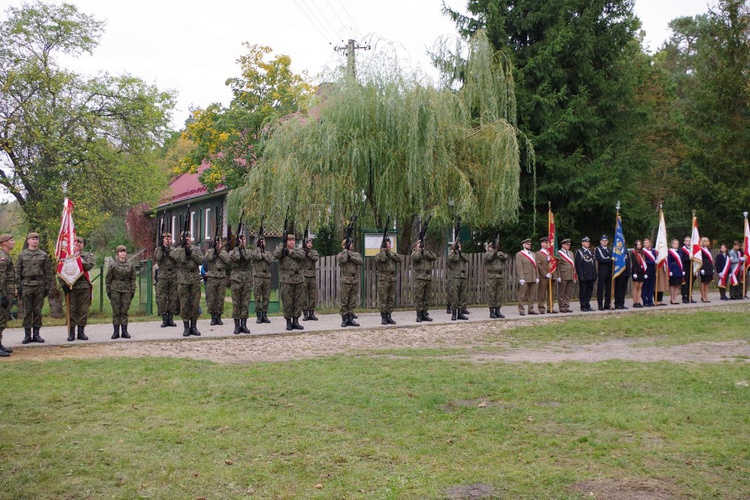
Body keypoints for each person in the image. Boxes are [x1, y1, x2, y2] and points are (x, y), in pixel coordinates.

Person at [16, 232, 52, 344]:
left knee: (37, 311)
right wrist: (18, 286)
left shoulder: (43, 255)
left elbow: (48, 272)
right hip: (26, 284)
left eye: (37, 239)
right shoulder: (22, 255)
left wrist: (47, 287)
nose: (35, 241)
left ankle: (36, 334)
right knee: (27, 311)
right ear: (28, 241)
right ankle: (27, 335)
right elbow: (17, 271)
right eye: (33, 239)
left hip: (39, 285)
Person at [61, 237, 95, 341]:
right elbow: (62, 269)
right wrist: (63, 284)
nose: (79, 245)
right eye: (76, 243)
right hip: (72, 286)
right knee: (72, 310)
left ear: (83, 244)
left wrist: (77, 258)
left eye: (81, 242)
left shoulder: (88, 256)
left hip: (84, 286)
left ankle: (81, 332)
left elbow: (88, 266)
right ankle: (72, 333)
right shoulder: (68, 256)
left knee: (83, 310)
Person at [172, 231, 204, 336]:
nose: (187, 238)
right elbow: (179, 260)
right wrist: (183, 249)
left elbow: (201, 260)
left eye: (189, 236)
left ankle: (193, 326)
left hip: (194, 279)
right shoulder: (177, 250)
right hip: (183, 280)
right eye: (185, 237)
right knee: (184, 304)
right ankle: (186, 327)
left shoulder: (196, 249)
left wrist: (191, 253)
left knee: (195, 303)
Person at [274, 233, 306, 331]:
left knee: (297, 301)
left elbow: (302, 255)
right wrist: (281, 244)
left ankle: (296, 321)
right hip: (286, 280)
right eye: (289, 240)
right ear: (286, 241)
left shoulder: (298, 250)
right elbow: (276, 254)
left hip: (298, 279)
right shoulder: (281, 250)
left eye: (293, 240)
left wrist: (289, 252)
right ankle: (288, 322)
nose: (292, 242)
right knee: (287, 301)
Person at [106, 245, 135, 339]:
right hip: (115, 289)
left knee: (124, 311)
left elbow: (133, 279)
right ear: (117, 253)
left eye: (124, 251)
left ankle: (124, 331)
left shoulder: (130, 265)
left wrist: (133, 290)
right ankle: (115, 332)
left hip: (126, 289)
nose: (123, 253)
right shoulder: (113, 265)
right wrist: (108, 290)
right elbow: (108, 278)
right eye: (121, 252)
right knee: (116, 311)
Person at [375, 236, 403, 324]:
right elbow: (382, 259)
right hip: (383, 280)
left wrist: (390, 253)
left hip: (392, 279)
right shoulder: (379, 255)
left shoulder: (392, 254)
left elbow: (400, 259)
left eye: (389, 244)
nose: (389, 246)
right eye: (387, 244)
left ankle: (389, 316)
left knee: (391, 299)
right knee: (383, 299)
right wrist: (384, 251)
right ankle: (383, 317)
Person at [229, 234, 253, 334]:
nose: (243, 241)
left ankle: (244, 324)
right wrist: (237, 248)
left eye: (244, 239)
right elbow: (237, 258)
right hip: (236, 280)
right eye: (240, 239)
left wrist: (242, 249)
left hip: (247, 280)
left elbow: (246, 257)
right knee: (236, 303)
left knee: (245, 303)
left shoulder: (248, 251)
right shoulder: (232, 252)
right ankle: (237, 325)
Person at [337, 238, 363, 327]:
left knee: (352, 301)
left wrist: (350, 255)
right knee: (344, 301)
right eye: (349, 244)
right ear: (344, 245)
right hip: (345, 279)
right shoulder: (341, 254)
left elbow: (360, 261)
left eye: (351, 243)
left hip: (354, 279)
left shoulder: (356, 254)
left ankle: (351, 318)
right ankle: (344, 319)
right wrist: (346, 251)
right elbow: (342, 260)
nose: (351, 245)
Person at [154, 232, 178, 327]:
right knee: (162, 297)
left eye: (169, 238)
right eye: (166, 239)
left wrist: (169, 251)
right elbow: (159, 258)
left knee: (172, 297)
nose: (168, 240)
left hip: (173, 275)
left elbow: (177, 258)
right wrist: (161, 248)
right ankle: (164, 318)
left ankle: (170, 318)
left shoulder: (174, 249)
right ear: (163, 240)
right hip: (163, 276)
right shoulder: (158, 249)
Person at [204, 237, 230, 326]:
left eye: (220, 242)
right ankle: (213, 317)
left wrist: (219, 253)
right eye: (217, 242)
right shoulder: (209, 251)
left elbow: (227, 260)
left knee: (220, 298)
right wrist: (214, 251)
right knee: (212, 298)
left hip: (221, 277)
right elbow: (209, 258)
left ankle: (219, 316)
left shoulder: (224, 252)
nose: (219, 244)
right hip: (212, 278)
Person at [411, 238, 438, 322]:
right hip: (419, 278)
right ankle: (419, 315)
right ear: (416, 246)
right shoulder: (414, 253)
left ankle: (425, 313)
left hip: (427, 277)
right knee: (419, 297)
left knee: (426, 297)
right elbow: (416, 258)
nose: (421, 245)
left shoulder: (426, 253)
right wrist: (419, 250)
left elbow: (434, 257)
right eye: (419, 244)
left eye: (422, 244)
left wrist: (424, 251)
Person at [250, 235, 274, 324]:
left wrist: (264, 254)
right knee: (257, 297)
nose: (263, 243)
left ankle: (265, 315)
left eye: (264, 242)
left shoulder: (268, 253)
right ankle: (258, 316)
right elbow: (257, 257)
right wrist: (259, 249)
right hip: (258, 277)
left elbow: (270, 260)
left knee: (266, 297)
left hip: (267, 277)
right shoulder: (255, 252)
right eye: (261, 242)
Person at [0, 234, 16, 356]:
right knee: (0, 320)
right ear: (4, 243)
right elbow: (1, 278)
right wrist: (2, 296)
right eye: (11, 240)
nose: (13, 242)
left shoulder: (6, 256)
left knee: (3, 319)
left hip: (7, 292)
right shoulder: (2, 258)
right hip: (3, 294)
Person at [483, 239, 508, 318]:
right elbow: (489, 258)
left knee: (499, 294)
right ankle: (491, 312)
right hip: (491, 276)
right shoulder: (487, 254)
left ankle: (498, 310)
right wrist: (494, 252)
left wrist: (496, 252)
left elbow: (505, 257)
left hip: (499, 276)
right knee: (491, 294)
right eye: (491, 247)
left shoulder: (499, 253)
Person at [515, 238, 539, 316]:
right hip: (525, 276)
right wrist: (521, 277)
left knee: (532, 294)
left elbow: (536, 266)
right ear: (524, 245)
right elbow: (519, 267)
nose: (529, 245)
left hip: (533, 276)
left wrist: (537, 276)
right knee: (522, 294)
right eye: (528, 244)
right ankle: (521, 309)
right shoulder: (520, 254)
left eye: (530, 244)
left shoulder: (533, 254)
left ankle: (531, 309)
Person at [447, 241, 470, 320]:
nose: (459, 248)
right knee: (454, 296)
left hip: (463, 277)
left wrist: (460, 253)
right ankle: (454, 313)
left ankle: (460, 313)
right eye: (457, 247)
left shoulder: (462, 255)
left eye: (460, 247)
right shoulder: (452, 256)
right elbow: (451, 260)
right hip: (455, 278)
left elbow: (467, 259)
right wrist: (455, 252)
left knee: (462, 296)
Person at [575, 236, 597, 312]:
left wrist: (594, 274)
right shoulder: (580, 252)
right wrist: (580, 275)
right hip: (584, 275)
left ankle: (587, 304)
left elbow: (593, 264)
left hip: (591, 275)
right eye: (585, 242)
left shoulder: (590, 251)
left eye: (588, 242)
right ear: (582, 243)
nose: (587, 243)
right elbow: (578, 265)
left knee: (589, 291)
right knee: (583, 291)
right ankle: (583, 305)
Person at [535, 236, 556, 314]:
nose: (548, 244)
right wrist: (545, 274)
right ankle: (541, 308)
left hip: (552, 275)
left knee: (552, 293)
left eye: (548, 243)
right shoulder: (538, 253)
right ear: (542, 244)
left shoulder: (552, 253)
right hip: (544, 276)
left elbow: (555, 264)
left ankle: (550, 307)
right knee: (542, 293)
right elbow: (538, 265)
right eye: (546, 243)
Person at [554, 238, 575, 313]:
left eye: (569, 245)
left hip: (570, 274)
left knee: (568, 292)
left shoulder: (571, 253)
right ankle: (562, 306)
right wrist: (558, 276)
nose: (568, 246)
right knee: (562, 292)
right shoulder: (559, 253)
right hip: (563, 274)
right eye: (567, 244)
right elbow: (558, 266)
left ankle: (566, 305)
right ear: (563, 245)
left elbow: (573, 265)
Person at [301, 237, 320, 321]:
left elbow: (315, 258)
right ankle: (305, 313)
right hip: (304, 276)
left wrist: (308, 253)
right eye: (308, 243)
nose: (310, 244)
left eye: (311, 243)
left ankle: (311, 313)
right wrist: (303, 251)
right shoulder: (302, 252)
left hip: (312, 275)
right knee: (304, 295)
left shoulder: (314, 252)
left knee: (312, 295)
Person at [595, 235, 613, 310]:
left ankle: (607, 304)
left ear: (608, 241)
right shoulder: (598, 249)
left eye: (606, 240)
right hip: (602, 272)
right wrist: (609, 259)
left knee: (609, 289)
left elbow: (613, 259)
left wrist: (609, 259)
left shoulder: (610, 250)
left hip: (609, 272)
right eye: (603, 240)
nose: (604, 242)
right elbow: (600, 259)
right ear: (600, 241)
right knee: (600, 289)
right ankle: (600, 305)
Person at [667, 238, 685, 304]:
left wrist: (683, 269)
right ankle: (672, 299)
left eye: (677, 243)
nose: (676, 245)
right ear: (672, 244)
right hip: (673, 269)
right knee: (672, 284)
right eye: (674, 243)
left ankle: (675, 298)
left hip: (679, 269)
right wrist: (670, 270)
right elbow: (668, 261)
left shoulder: (679, 251)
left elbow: (681, 261)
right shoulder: (670, 252)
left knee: (677, 285)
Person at [613, 243, 630, 310]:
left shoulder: (625, 250)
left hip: (625, 272)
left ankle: (622, 303)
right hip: (619, 273)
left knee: (623, 289)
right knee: (618, 289)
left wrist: (628, 272)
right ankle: (617, 303)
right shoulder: (616, 250)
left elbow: (628, 261)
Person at [630, 240, 646, 308]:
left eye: (640, 244)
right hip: (636, 272)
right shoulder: (633, 253)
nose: (639, 245)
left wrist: (645, 272)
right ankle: (635, 302)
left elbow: (644, 263)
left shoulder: (642, 253)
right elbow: (634, 264)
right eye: (637, 244)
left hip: (642, 272)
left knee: (640, 287)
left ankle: (638, 301)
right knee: (635, 287)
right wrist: (634, 272)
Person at [698, 237, 714, 302]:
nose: (706, 242)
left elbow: (711, 259)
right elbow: (700, 259)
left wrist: (712, 268)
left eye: (707, 241)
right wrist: (701, 268)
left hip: (709, 267)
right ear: (702, 242)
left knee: (708, 282)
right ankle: (703, 296)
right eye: (705, 241)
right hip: (703, 267)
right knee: (703, 282)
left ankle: (706, 295)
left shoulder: (708, 249)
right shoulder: (700, 249)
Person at [642, 238, 657, 307]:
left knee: (651, 287)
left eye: (647, 242)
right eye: (645, 243)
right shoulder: (643, 251)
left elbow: (656, 259)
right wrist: (653, 262)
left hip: (653, 270)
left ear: (650, 243)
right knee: (645, 286)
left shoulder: (653, 251)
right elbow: (644, 261)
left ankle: (650, 300)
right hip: (646, 270)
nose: (646, 244)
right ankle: (645, 301)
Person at [680, 236, 695, 303]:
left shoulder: (693, 250)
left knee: (691, 283)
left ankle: (690, 296)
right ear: (684, 242)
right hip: (685, 268)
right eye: (687, 240)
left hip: (692, 268)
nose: (688, 242)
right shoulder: (682, 250)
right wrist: (689, 258)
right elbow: (681, 259)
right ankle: (684, 297)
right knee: (685, 283)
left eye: (689, 240)